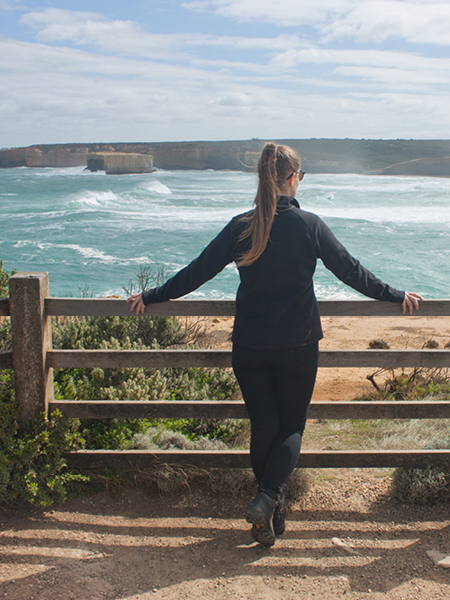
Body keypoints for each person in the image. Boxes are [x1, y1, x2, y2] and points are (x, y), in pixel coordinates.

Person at [127, 143, 422, 547]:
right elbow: (351, 272)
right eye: (300, 176)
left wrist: (152, 295)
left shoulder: (240, 226)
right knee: (291, 427)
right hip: (298, 344)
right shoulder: (309, 225)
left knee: (263, 426)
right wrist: (394, 294)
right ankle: (267, 497)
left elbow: (196, 273)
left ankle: (272, 510)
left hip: (250, 345)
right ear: (290, 178)